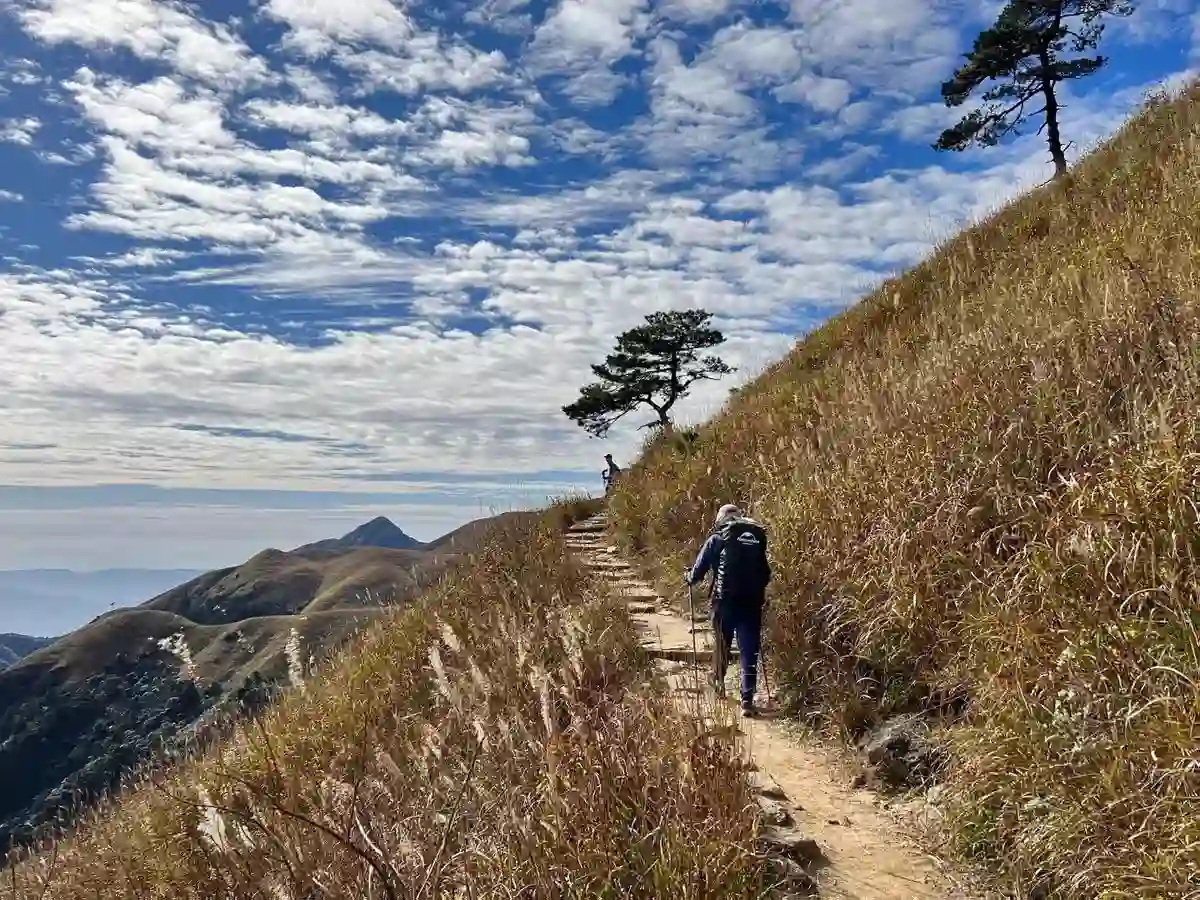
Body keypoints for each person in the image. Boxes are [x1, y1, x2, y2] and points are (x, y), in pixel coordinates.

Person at [685, 503, 771, 717]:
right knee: (748, 651)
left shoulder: (717, 539)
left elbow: (698, 572)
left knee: (722, 647)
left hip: (723, 603)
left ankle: (719, 686)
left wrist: (688, 577)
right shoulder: (756, 537)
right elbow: (766, 573)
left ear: (720, 520)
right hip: (751, 604)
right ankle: (747, 700)